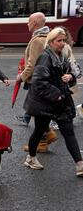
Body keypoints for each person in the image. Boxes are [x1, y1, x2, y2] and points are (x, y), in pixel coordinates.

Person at [23, 27, 83, 176]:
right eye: (59, 41)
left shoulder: (62, 56)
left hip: (60, 102)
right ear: (50, 42)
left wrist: (70, 77)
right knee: (38, 132)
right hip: (45, 103)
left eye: (64, 40)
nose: (62, 43)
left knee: (68, 133)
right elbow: (38, 82)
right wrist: (58, 95)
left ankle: (80, 165)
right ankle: (30, 158)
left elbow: (70, 74)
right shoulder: (45, 57)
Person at [16, 12, 58, 152]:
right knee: (38, 112)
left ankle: (45, 138)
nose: (27, 24)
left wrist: (21, 77)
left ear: (34, 23)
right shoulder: (48, 37)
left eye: (29, 21)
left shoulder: (37, 40)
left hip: (36, 81)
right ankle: (45, 138)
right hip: (46, 80)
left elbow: (32, 64)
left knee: (35, 111)